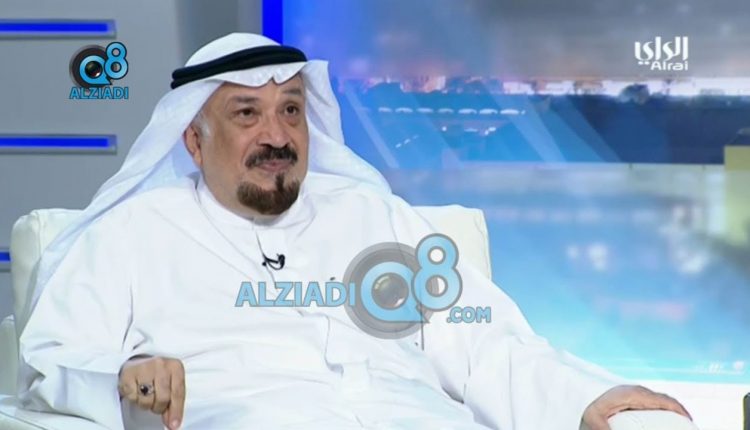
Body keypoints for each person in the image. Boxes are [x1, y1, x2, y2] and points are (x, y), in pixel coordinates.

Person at [16, 33, 690, 430]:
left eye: (290, 111)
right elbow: (55, 360)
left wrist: (582, 396)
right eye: (247, 114)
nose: (277, 136)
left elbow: (486, 347)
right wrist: (125, 376)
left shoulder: (373, 216)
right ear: (194, 139)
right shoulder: (132, 233)